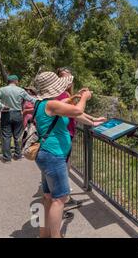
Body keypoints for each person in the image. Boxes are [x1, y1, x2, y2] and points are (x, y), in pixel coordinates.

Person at [34, 71, 92, 238]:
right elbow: (77, 111)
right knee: (59, 200)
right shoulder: (51, 104)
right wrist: (84, 98)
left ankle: (44, 234)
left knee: (48, 197)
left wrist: (74, 96)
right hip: (54, 156)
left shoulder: (41, 103)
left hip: (45, 154)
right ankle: (55, 236)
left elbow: (65, 103)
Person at [55, 67, 106, 208]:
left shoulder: (64, 95)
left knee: (66, 166)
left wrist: (94, 120)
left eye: (70, 78)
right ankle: (62, 202)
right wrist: (93, 121)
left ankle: (64, 198)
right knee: (63, 168)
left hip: (65, 137)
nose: (68, 81)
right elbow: (76, 112)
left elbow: (76, 112)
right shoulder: (61, 95)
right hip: (61, 137)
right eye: (64, 78)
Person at [0, 75, 37, 162]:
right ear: (16, 81)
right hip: (17, 114)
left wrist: (1, 106)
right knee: (18, 135)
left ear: (8, 81)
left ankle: (7, 157)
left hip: (6, 114)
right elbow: (31, 100)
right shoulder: (20, 90)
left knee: (6, 136)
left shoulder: (2, 89)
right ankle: (18, 155)